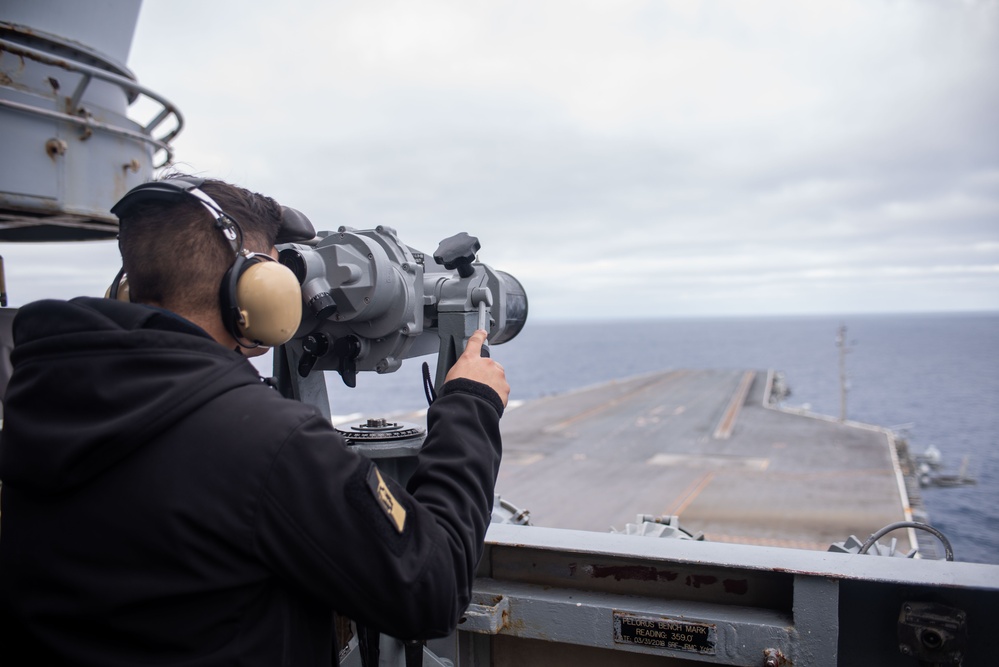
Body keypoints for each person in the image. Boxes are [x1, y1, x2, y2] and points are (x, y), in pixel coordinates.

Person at [0, 176, 510, 666]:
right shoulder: (267, 445)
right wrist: (470, 405)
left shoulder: (38, 408)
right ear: (253, 289)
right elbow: (430, 588)